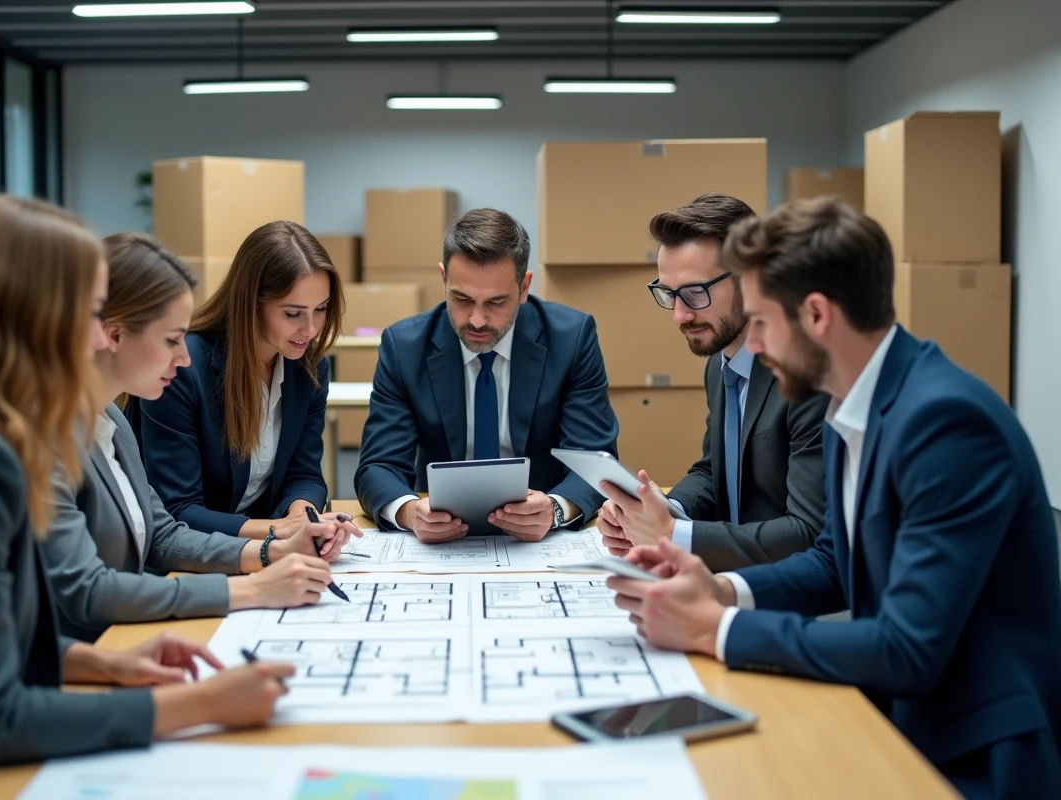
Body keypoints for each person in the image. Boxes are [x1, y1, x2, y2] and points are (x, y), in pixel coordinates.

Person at [607, 197, 1061, 799]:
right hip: (894, 710)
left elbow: (907, 648)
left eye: (763, 323)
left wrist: (715, 628)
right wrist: (721, 589)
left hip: (970, 753)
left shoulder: (947, 422)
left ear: (816, 315)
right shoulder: (858, 399)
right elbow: (832, 562)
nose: (756, 348)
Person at [0, 196, 294, 800]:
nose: (103, 333)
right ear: (36, 318)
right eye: (93, 311)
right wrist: (198, 704)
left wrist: (104, 663)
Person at [43, 233, 353, 643]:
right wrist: (255, 581)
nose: (185, 356)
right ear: (112, 335)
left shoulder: (113, 423)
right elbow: (88, 591)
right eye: (172, 339)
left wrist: (272, 548)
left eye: (320, 310)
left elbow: (163, 534)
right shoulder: (43, 440)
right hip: (98, 636)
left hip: (117, 632)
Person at [355, 208, 619, 543]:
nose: (477, 320)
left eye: (496, 302)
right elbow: (378, 466)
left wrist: (554, 509)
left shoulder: (571, 338)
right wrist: (409, 512)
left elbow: (595, 458)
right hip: (440, 533)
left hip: (538, 537)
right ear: (443, 280)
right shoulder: (404, 347)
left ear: (524, 288)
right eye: (462, 298)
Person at [597, 194, 828, 572]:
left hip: (799, 601)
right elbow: (712, 471)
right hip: (735, 577)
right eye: (669, 295)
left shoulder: (808, 373)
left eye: (694, 293)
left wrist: (672, 535)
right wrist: (660, 509)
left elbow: (807, 533)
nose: (679, 315)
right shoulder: (723, 362)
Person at [135, 222, 359, 543]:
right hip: (188, 556)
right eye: (293, 314)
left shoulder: (309, 368)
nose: (310, 329)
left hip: (264, 551)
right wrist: (279, 530)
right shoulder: (182, 368)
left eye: (321, 309)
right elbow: (177, 508)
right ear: (252, 304)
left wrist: (302, 515)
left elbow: (304, 473)